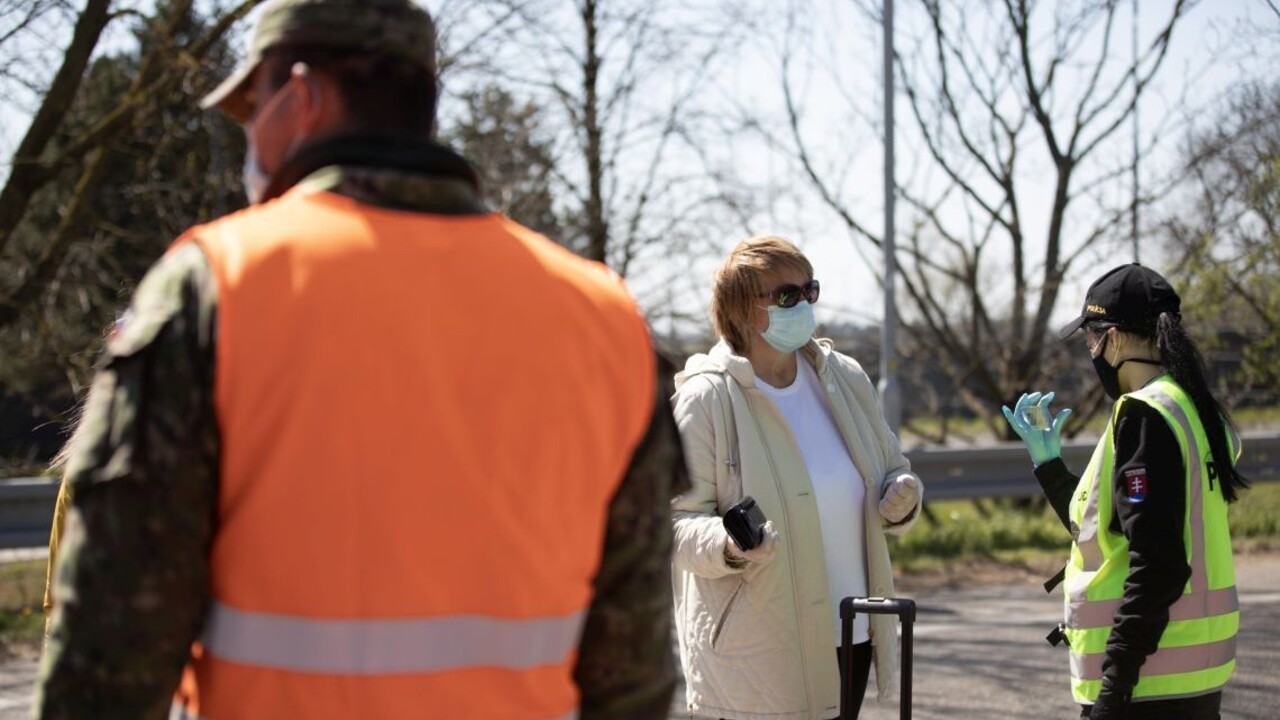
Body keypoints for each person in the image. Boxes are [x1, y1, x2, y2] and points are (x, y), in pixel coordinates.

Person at [34, 1, 687, 718]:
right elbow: (634, 676)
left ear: (303, 95)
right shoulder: (601, 319)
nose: (249, 133)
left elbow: (106, 662)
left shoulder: (216, 287)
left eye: (254, 105)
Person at [669, 236, 923, 720]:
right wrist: (728, 544)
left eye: (810, 291)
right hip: (758, 652)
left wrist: (903, 498)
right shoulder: (704, 400)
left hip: (852, 633)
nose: (804, 304)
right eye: (787, 296)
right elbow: (675, 526)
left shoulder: (844, 377)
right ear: (742, 309)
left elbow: (894, 470)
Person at [1003, 263, 1247, 720]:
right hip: (1195, 675)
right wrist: (1049, 466)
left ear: (1112, 339)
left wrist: (1114, 687)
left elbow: (1159, 565)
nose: (1091, 351)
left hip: (1147, 686)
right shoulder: (1191, 406)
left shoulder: (1144, 414)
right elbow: (1107, 528)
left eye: (1090, 339)